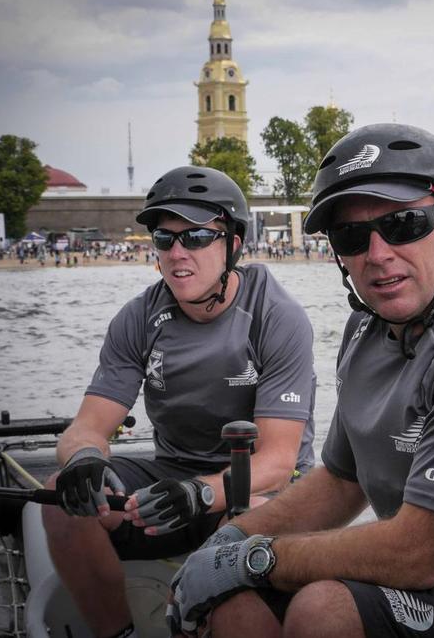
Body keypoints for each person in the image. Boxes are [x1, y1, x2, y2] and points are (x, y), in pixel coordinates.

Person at [167, 123, 434, 638]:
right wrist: (229, 541)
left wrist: (254, 557)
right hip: (430, 570)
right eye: (350, 235)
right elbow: (343, 479)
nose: (377, 254)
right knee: (231, 601)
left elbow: (419, 551)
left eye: (405, 224)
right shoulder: (369, 322)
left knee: (321, 610)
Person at [42, 165, 316, 638]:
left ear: (233, 242)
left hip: (260, 488)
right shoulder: (138, 318)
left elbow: (276, 460)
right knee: (57, 499)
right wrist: (84, 459)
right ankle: (119, 631)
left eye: (194, 237)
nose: (177, 253)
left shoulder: (277, 316)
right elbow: (87, 427)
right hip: (171, 482)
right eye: (164, 239)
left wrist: (200, 493)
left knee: (242, 519)